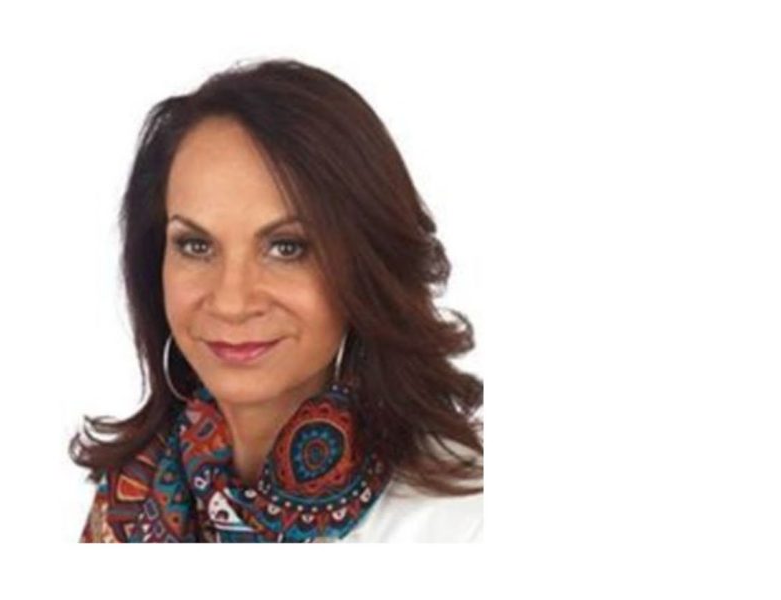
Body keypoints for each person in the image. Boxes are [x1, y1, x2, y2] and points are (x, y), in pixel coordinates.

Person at [71, 58, 483, 543]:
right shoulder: (129, 497)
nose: (231, 301)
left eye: (287, 248)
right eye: (196, 246)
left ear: (366, 265)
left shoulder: (465, 525)